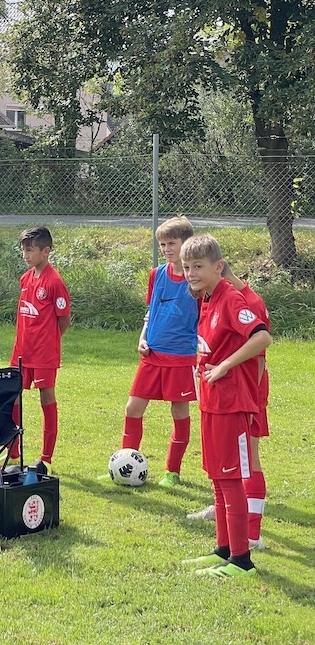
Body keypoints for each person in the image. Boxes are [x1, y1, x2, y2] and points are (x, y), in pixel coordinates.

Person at [179, 235, 271, 579]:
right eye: (186, 267)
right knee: (217, 477)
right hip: (212, 402)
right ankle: (223, 549)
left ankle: (242, 560)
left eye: (198, 266)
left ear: (218, 267)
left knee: (231, 480)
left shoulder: (231, 298)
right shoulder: (206, 299)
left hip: (232, 405)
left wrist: (225, 366)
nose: (191, 273)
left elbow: (262, 337)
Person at [119, 216, 197, 488]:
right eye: (162, 244)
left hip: (181, 357)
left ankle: (172, 471)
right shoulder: (156, 275)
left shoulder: (196, 279)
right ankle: (125, 466)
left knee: (179, 412)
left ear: (187, 244)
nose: (166, 249)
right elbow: (151, 311)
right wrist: (142, 338)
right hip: (152, 355)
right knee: (133, 408)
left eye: (171, 243)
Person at [10, 226, 70, 473]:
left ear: (46, 251)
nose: (26, 255)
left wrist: (49, 341)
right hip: (21, 351)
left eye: (30, 250)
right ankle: (12, 448)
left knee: (46, 398)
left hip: (44, 354)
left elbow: (64, 319)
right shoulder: (26, 278)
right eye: (24, 250)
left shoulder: (54, 282)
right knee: (12, 396)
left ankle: (46, 457)